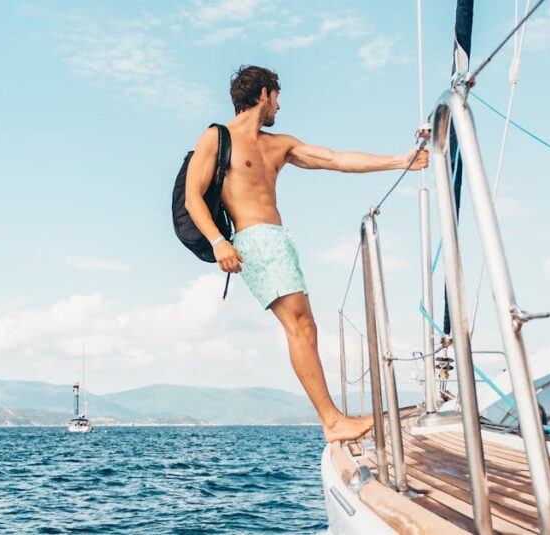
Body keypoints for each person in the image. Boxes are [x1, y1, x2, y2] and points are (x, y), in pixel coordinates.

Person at [184, 65, 429, 443]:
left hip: (279, 240)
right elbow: (192, 196)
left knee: (305, 327)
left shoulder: (278, 144)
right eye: (277, 97)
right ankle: (332, 421)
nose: (279, 107)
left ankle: (333, 419)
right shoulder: (217, 137)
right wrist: (219, 241)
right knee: (300, 327)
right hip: (253, 239)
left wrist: (400, 161)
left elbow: (335, 159)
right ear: (263, 93)